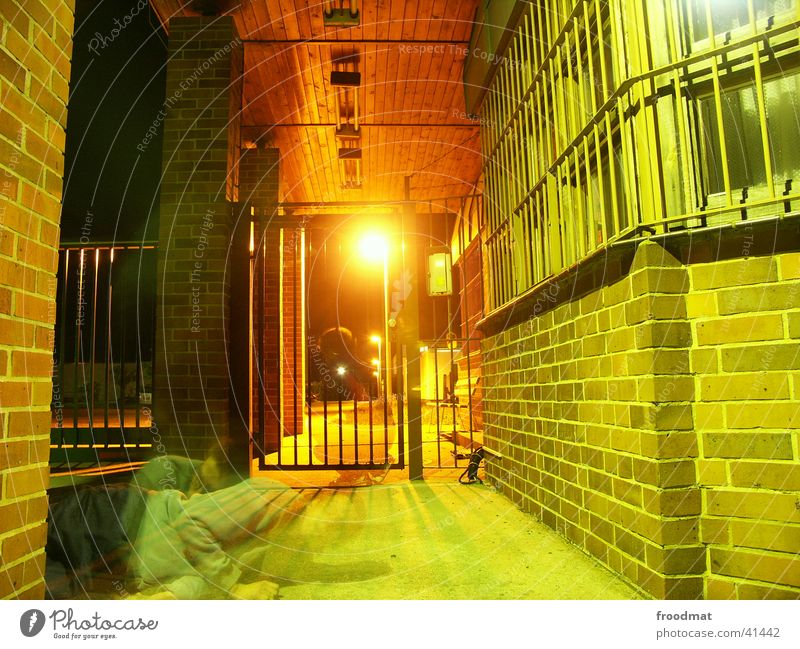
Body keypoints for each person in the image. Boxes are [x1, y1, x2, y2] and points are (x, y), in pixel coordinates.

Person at [45, 455, 288, 600]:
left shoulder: (265, 547)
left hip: (124, 558)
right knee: (33, 536)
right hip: (122, 518)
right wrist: (234, 587)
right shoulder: (273, 497)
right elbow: (192, 522)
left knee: (42, 588)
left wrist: (169, 596)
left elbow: (201, 575)